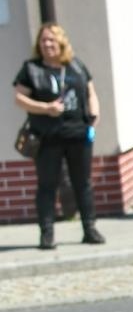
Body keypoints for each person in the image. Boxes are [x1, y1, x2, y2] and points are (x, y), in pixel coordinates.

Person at [12, 22, 102, 249]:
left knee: (83, 183)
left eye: (51, 40)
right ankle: (47, 233)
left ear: (61, 42)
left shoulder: (76, 65)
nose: (47, 44)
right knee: (47, 185)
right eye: (43, 40)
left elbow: (90, 92)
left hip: (78, 134)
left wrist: (94, 113)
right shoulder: (31, 68)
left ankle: (90, 228)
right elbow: (19, 98)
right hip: (47, 137)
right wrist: (46, 108)